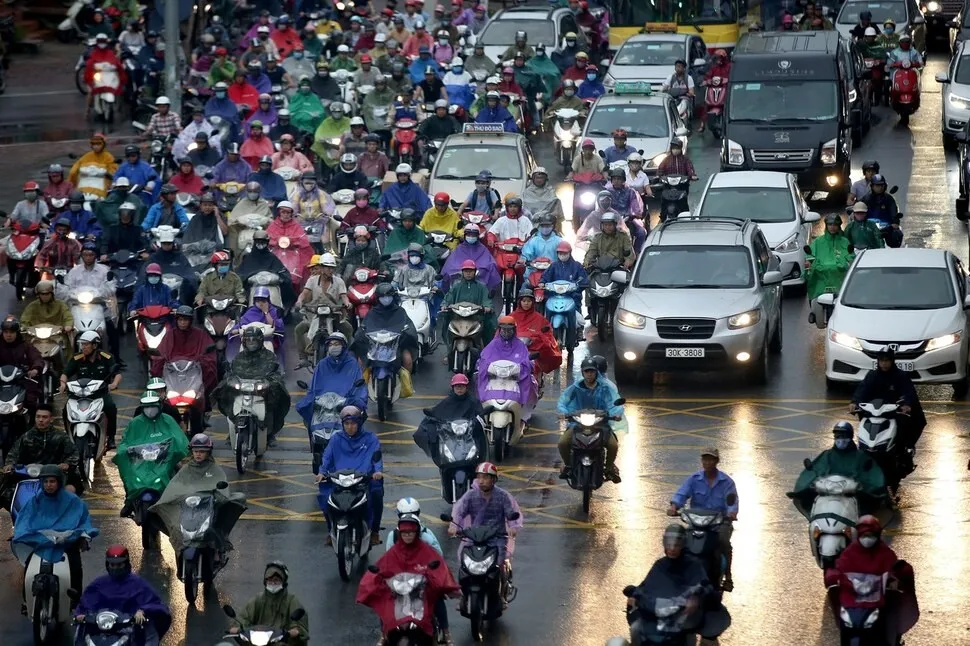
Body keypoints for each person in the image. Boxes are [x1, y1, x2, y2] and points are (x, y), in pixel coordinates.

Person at [147, 434, 247, 581]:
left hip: (208, 509)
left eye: (202, 451)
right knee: (177, 529)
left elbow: (222, 487)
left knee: (214, 528)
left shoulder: (215, 469)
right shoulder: (186, 469)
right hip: (189, 510)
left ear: (208, 452)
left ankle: (217, 552)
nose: (198, 454)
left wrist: (219, 497)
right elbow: (175, 486)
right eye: (196, 451)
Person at [358, 513, 459, 645]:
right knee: (384, 603)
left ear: (416, 532)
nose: (407, 535)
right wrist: (376, 578)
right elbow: (381, 567)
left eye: (411, 532)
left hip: (422, 592)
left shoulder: (427, 550)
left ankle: (446, 632)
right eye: (404, 533)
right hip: (399, 593)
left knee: (438, 599)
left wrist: (437, 580)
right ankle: (384, 634)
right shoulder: (393, 552)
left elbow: (439, 566)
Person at [12, 464, 98, 613]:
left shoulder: (73, 501)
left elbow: (84, 521)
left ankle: (76, 600)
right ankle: (27, 601)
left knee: (75, 566)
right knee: (28, 565)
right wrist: (23, 534)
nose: (48, 485)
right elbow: (23, 520)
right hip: (42, 542)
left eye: (52, 481)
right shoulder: (35, 501)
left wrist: (83, 534)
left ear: (59, 482)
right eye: (45, 482)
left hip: (66, 542)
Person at [627, 525, 729, 646]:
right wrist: (635, 595)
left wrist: (696, 598)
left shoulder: (693, 565)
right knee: (636, 629)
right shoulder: (660, 564)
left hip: (684, 615)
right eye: (669, 544)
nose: (672, 549)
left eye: (676, 545)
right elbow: (646, 584)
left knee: (705, 633)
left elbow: (705, 586)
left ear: (683, 544)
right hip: (661, 612)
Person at [823, 515, 919, 638]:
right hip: (853, 604)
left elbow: (894, 569)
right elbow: (839, 569)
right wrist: (833, 576)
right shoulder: (849, 553)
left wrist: (895, 578)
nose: (867, 539)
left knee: (888, 626)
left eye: (871, 535)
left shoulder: (885, 554)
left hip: (878, 604)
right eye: (864, 535)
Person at [668, 447, 738, 591]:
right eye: (705, 459)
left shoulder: (727, 482)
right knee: (678, 540)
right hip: (696, 522)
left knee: (723, 542)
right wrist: (674, 506)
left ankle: (728, 577)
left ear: (716, 461)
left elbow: (732, 501)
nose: (707, 462)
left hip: (719, 523)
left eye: (710, 459)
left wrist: (731, 513)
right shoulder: (694, 479)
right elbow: (682, 493)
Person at [448, 462, 523, 596]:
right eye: (479, 477)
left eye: (485, 478)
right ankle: (463, 596)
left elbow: (511, 513)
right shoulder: (470, 496)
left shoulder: (503, 496)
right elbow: (459, 512)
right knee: (464, 564)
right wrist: (454, 526)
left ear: (493, 480)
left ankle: (503, 592)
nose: (481, 481)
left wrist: (513, 527)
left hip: (497, 537)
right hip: (474, 537)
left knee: (500, 564)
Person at [74, 545, 171, 644]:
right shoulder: (99, 584)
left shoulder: (138, 584)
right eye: (113, 565)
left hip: (130, 630)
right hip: (101, 630)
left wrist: (142, 611)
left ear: (126, 563)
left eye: (119, 565)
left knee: (149, 629)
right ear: (108, 565)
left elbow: (155, 604)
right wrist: (80, 614)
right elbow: (86, 603)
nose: (116, 568)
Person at [315, 405, 385, 544]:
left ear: (359, 423)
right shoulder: (336, 439)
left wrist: (378, 471)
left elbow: (376, 457)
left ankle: (374, 531)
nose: (350, 427)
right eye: (346, 424)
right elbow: (327, 457)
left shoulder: (370, 438)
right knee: (324, 497)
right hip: (340, 479)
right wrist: (322, 473)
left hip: (364, 479)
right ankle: (331, 530)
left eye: (353, 423)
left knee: (376, 493)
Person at [851, 346, 926, 472]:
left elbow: (908, 392)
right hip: (875, 413)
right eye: (882, 360)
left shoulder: (901, 376)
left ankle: (905, 452)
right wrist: (854, 402)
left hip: (894, 414)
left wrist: (906, 405)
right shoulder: (872, 375)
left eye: (887, 360)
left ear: (892, 361)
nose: (884, 363)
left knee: (909, 424)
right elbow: (862, 390)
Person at [114, 390, 189, 517]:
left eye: (153, 406)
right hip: (140, 460)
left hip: (163, 459)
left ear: (159, 406)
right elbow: (126, 441)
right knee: (127, 472)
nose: (150, 409)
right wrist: (124, 451)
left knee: (182, 471)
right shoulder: (135, 423)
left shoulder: (168, 420)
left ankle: (179, 499)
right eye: (147, 406)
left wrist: (173, 450)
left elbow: (179, 438)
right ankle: (130, 499)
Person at [788, 421, 887, 514]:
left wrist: (862, 485)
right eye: (837, 436)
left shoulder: (861, 456)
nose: (840, 439)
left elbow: (872, 476)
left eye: (844, 436)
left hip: (852, 495)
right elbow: (817, 469)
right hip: (827, 493)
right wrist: (812, 483)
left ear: (850, 437)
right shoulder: (827, 455)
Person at [216, 327, 290, 444]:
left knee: (276, 397)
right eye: (248, 341)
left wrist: (270, 382)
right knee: (224, 392)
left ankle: (269, 434)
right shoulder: (239, 357)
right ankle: (233, 428)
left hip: (262, 390)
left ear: (260, 341)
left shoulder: (269, 356)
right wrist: (231, 380)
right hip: (242, 389)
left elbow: (275, 373)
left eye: (254, 341)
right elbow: (231, 372)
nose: (251, 344)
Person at [556, 356, 622, 481]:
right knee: (562, 443)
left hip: (601, 424)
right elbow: (562, 401)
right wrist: (563, 413)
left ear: (596, 372)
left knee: (613, 445)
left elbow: (613, 402)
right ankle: (569, 466)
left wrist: (616, 413)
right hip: (578, 424)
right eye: (587, 371)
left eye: (592, 371)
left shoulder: (605, 388)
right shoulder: (575, 388)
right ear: (582, 372)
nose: (589, 374)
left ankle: (608, 469)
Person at [61, 331, 122, 448]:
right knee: (65, 410)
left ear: (95, 345)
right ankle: (68, 436)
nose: (83, 347)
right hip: (79, 393)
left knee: (110, 407)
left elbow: (118, 374)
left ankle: (111, 438)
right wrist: (63, 384)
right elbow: (65, 373)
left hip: (99, 393)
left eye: (86, 344)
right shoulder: (77, 358)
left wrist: (114, 384)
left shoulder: (106, 357)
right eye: (82, 344)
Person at [296, 331, 367, 432]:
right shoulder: (322, 364)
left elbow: (359, 386)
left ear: (343, 346)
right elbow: (314, 386)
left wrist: (352, 399)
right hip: (323, 405)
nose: (333, 347)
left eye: (336, 344)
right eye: (330, 344)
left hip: (344, 404)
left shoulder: (352, 364)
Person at [3, 404, 81, 495]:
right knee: (6, 489)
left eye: (44, 417)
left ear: (51, 419)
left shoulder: (61, 436)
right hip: (29, 474)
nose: (41, 420)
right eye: (38, 417)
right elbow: (14, 452)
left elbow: (74, 453)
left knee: (71, 489)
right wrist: (9, 464)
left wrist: (67, 464)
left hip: (54, 474)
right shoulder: (27, 436)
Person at [228, 562, 309, 646]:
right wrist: (237, 627)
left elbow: (299, 624)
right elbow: (243, 616)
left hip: (283, 643)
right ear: (265, 581)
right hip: (257, 642)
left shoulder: (292, 601)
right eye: (269, 579)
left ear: (283, 582)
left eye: (276, 580)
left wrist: (295, 630)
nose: (273, 583)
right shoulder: (258, 600)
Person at [413, 373, 486, 465]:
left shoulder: (473, 402)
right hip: (450, 436)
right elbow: (436, 413)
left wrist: (476, 421)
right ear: (453, 387)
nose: (459, 389)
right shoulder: (447, 402)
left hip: (469, 435)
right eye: (457, 386)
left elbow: (480, 416)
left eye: (462, 386)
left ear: (466, 387)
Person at [149, 305, 219, 400]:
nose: (182, 323)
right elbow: (162, 351)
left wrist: (203, 360)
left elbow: (208, 351)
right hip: (172, 372)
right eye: (180, 320)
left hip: (194, 371)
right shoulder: (170, 334)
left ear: (190, 321)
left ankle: (205, 403)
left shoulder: (200, 334)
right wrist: (159, 358)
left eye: (185, 320)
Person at [351, 282, 419, 375]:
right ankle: (361, 387)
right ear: (378, 297)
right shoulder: (372, 312)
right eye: (382, 296)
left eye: (388, 296)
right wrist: (362, 333)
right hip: (374, 346)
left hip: (397, 345)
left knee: (408, 360)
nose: (386, 299)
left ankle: (407, 387)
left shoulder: (400, 311)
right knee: (360, 361)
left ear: (393, 296)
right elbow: (364, 327)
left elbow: (409, 326)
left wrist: (405, 332)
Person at [477, 316, 536, 423]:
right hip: (495, 377)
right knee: (479, 379)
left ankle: (522, 416)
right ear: (499, 330)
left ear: (514, 330)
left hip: (514, 378)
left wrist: (526, 365)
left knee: (529, 383)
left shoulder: (520, 345)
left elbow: (526, 360)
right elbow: (484, 358)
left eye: (509, 330)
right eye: (503, 329)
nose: (506, 332)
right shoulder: (493, 344)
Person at [806, 213, 853, 322]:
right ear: (826, 225)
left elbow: (850, 256)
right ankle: (814, 310)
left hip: (839, 275)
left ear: (839, 226)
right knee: (809, 279)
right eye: (830, 224)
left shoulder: (844, 242)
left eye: (835, 224)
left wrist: (848, 263)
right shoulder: (818, 242)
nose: (832, 227)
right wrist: (809, 262)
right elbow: (810, 255)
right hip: (821, 276)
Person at [237, 230, 297, 308]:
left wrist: (280, 279)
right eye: (258, 241)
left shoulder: (272, 258)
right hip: (252, 288)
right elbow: (240, 276)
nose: (260, 243)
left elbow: (284, 274)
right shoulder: (248, 258)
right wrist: (247, 279)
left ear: (267, 242)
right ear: (254, 242)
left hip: (272, 287)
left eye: (263, 241)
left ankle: (283, 312)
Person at [509, 288, 561, 373]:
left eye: (529, 301)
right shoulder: (511, 317)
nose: (526, 303)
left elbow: (548, 334)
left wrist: (537, 339)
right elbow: (501, 333)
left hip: (533, 351)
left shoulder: (539, 318)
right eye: (524, 301)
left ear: (532, 302)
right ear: (519, 302)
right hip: (513, 349)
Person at [20, 281, 74, 362]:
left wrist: (68, 325)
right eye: (42, 294)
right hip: (36, 336)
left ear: (52, 294)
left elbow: (68, 316)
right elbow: (25, 318)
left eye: (47, 294)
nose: (45, 296)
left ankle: (64, 368)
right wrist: (23, 327)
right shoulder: (32, 306)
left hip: (56, 336)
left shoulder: (60, 304)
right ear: (38, 295)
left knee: (65, 349)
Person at [440, 227, 500, 292]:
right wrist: (459, 270)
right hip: (459, 281)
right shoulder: (459, 248)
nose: (471, 237)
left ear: (477, 236)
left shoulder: (483, 248)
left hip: (479, 281)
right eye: (469, 235)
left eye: (473, 235)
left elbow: (489, 262)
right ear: (465, 235)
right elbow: (451, 264)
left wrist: (481, 270)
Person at [69, 134, 119, 201]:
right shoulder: (87, 156)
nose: (96, 146)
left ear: (103, 144)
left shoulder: (108, 157)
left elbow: (113, 173)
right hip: (85, 190)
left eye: (98, 144)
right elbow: (73, 172)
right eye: (93, 144)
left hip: (98, 192)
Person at [859, 174, 902, 246]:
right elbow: (859, 210)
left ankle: (894, 253)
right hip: (868, 227)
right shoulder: (865, 199)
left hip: (886, 228)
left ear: (885, 186)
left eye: (881, 185)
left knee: (897, 234)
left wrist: (895, 222)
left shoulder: (889, 199)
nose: (880, 188)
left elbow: (894, 212)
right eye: (877, 185)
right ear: (872, 186)